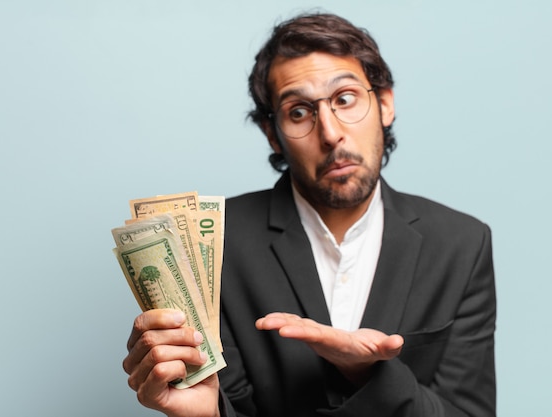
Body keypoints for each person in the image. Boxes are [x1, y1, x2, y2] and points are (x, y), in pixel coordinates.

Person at [122, 12, 496, 417]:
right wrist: (206, 415)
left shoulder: (463, 244)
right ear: (273, 135)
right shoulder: (214, 245)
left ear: (385, 104)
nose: (331, 132)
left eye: (345, 99)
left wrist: (370, 373)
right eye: (299, 111)